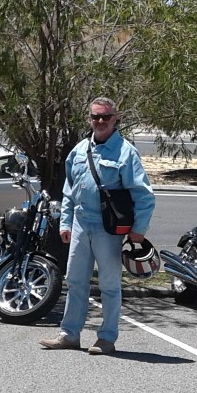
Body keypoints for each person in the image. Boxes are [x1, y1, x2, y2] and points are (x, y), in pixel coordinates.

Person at [40, 96, 155, 355]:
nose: (100, 121)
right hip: (81, 224)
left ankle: (107, 338)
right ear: (89, 118)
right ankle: (69, 335)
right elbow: (69, 190)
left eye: (105, 117)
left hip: (109, 229)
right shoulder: (80, 150)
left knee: (109, 284)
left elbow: (144, 195)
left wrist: (139, 230)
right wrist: (65, 222)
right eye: (95, 117)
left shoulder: (126, 152)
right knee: (76, 281)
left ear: (116, 118)